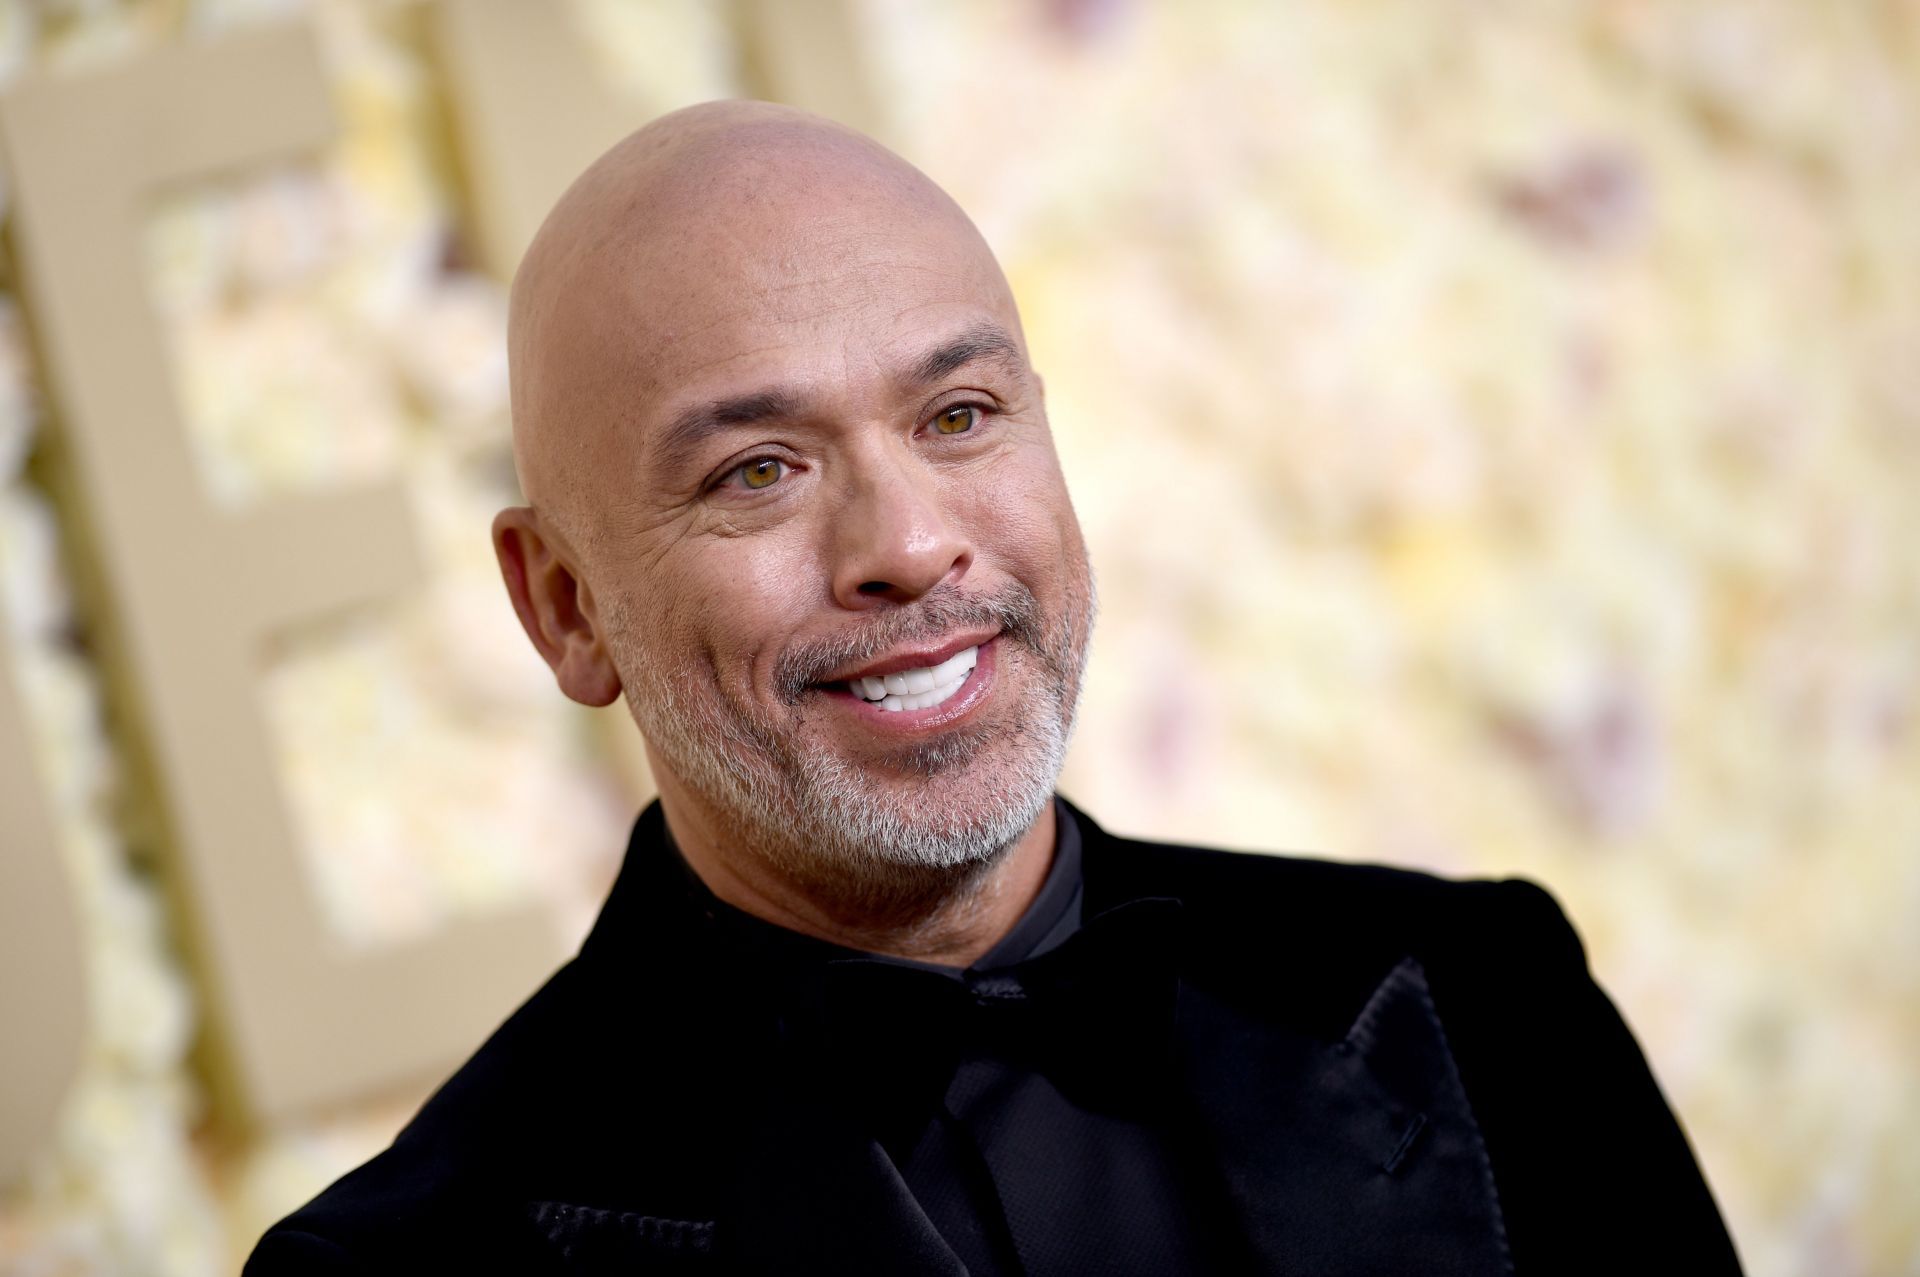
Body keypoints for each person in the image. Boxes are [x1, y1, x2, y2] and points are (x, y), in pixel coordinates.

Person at [246, 101, 1741, 1275]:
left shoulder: (1490, 998)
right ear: (567, 607)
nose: (906, 545)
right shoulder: (406, 1266)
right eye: (757, 470)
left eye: (959, 414)